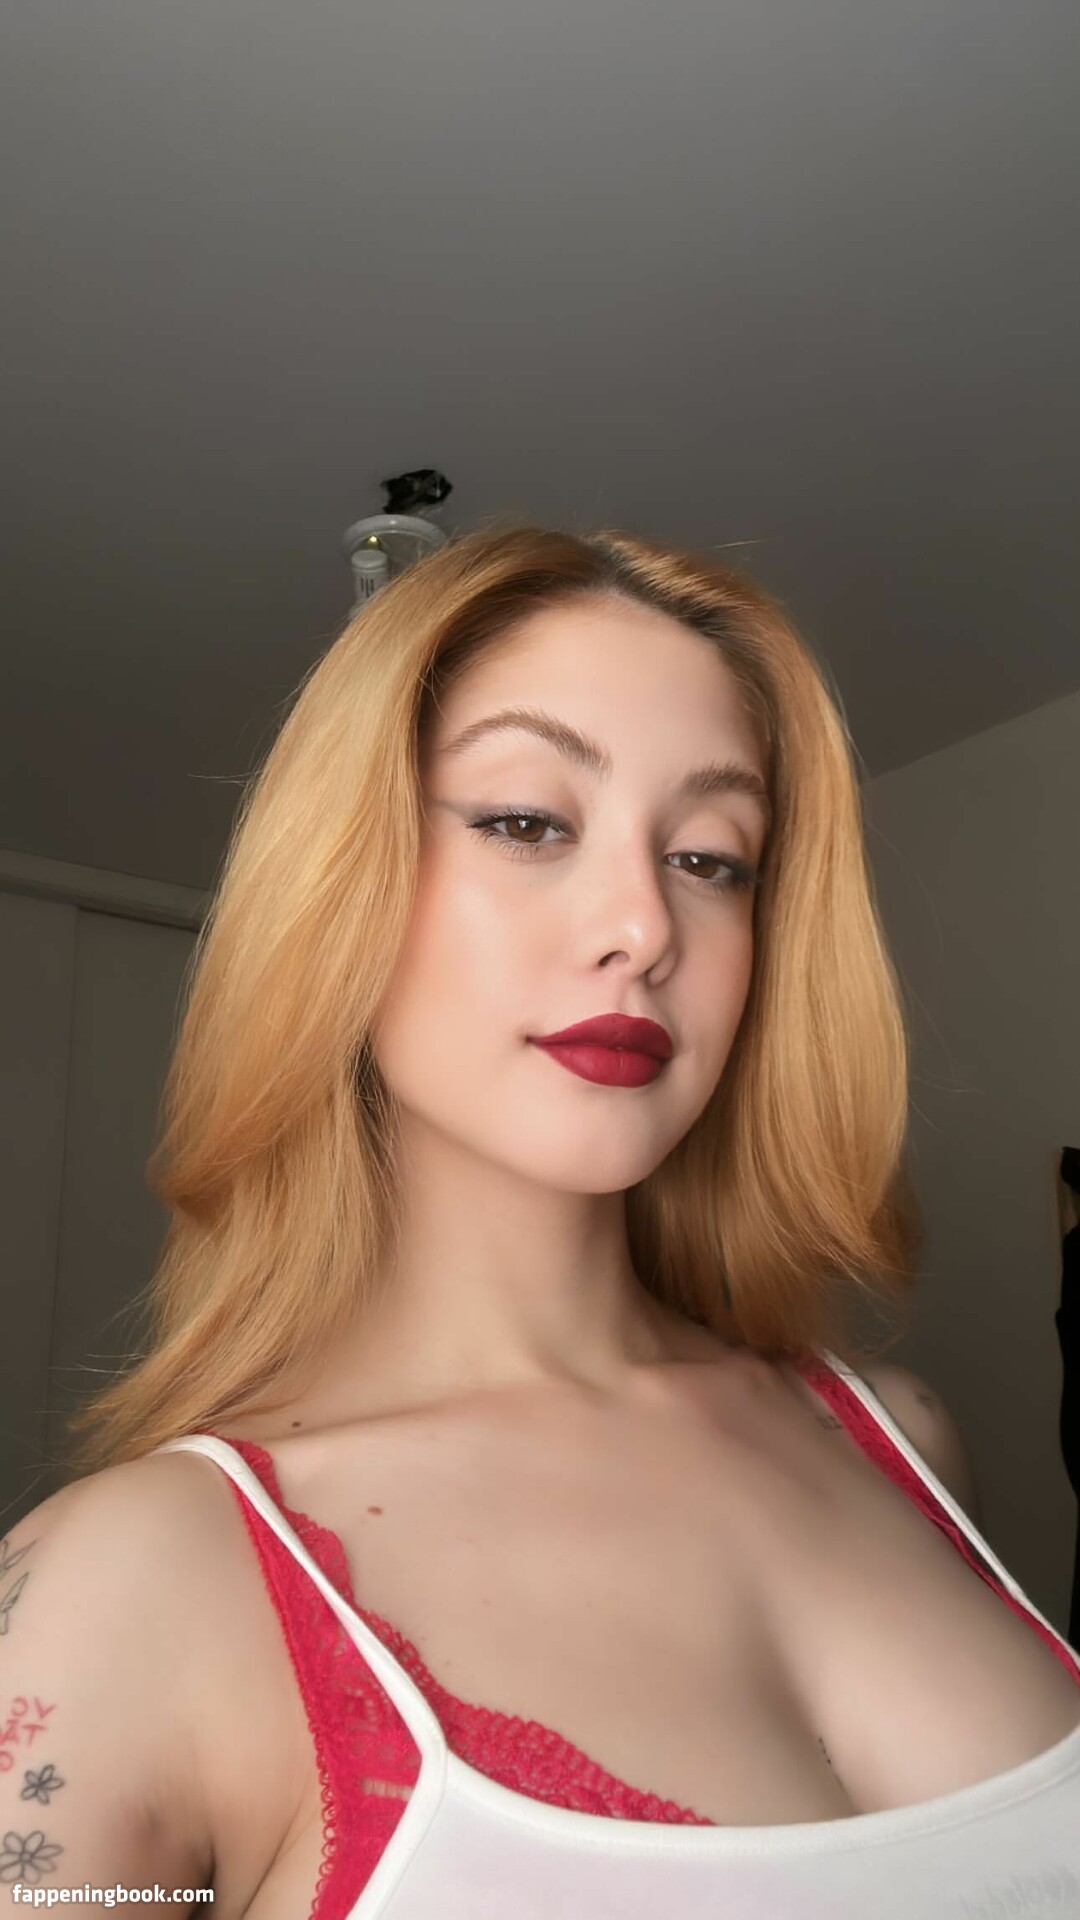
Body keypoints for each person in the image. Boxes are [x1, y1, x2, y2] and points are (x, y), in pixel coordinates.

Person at [2, 524, 1078, 1917]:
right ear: (339, 883)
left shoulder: (902, 1443)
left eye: (711, 857)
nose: (645, 926)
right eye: (526, 821)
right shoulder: (127, 1590)